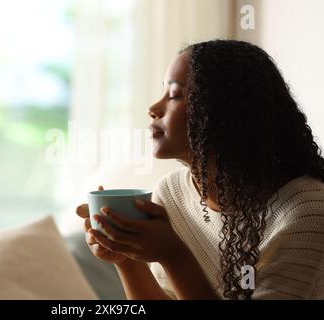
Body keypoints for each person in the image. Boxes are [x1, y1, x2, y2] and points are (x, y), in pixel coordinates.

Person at [76, 40, 324, 300]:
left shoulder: (307, 209)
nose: (153, 109)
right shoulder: (171, 192)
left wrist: (173, 255)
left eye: (174, 95)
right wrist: (126, 256)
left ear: (224, 111)